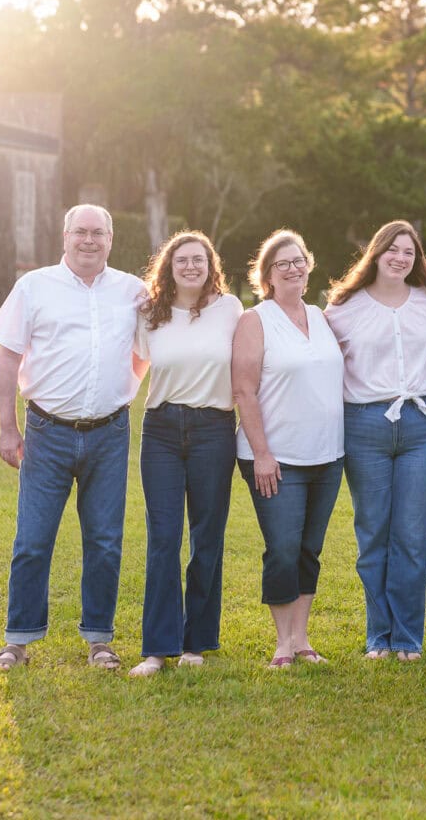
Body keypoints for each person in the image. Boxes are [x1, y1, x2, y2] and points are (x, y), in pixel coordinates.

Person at [0, 204, 147, 671]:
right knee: (33, 539)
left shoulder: (131, 292)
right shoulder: (34, 286)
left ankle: (100, 639)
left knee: (104, 541)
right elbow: (7, 359)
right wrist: (7, 427)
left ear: (111, 239)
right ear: (65, 236)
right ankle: (17, 640)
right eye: (81, 232)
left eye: (99, 232)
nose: (90, 240)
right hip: (46, 433)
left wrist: (124, 391)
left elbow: (145, 353)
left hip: (110, 434)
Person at [324, 221, 426, 661]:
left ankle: (408, 638)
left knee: (413, 536)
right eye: (392, 250)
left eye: (409, 252)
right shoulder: (343, 309)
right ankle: (379, 635)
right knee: (373, 532)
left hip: (422, 425)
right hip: (364, 426)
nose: (400, 258)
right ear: (375, 254)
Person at [128, 231, 243, 678]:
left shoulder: (229, 310)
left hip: (214, 429)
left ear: (211, 265)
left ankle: (197, 641)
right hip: (161, 430)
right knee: (163, 538)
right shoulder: (149, 313)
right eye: (182, 260)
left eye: (199, 259)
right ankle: (157, 649)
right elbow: (137, 367)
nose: (191, 266)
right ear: (169, 266)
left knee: (207, 536)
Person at [233, 229, 345, 669]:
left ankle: (302, 638)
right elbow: (243, 390)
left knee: (308, 548)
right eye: (283, 263)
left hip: (327, 455)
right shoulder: (255, 320)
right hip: (275, 458)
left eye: (299, 260)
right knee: (282, 545)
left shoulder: (320, 316)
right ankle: (283, 641)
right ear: (268, 275)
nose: (294, 268)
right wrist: (261, 453)